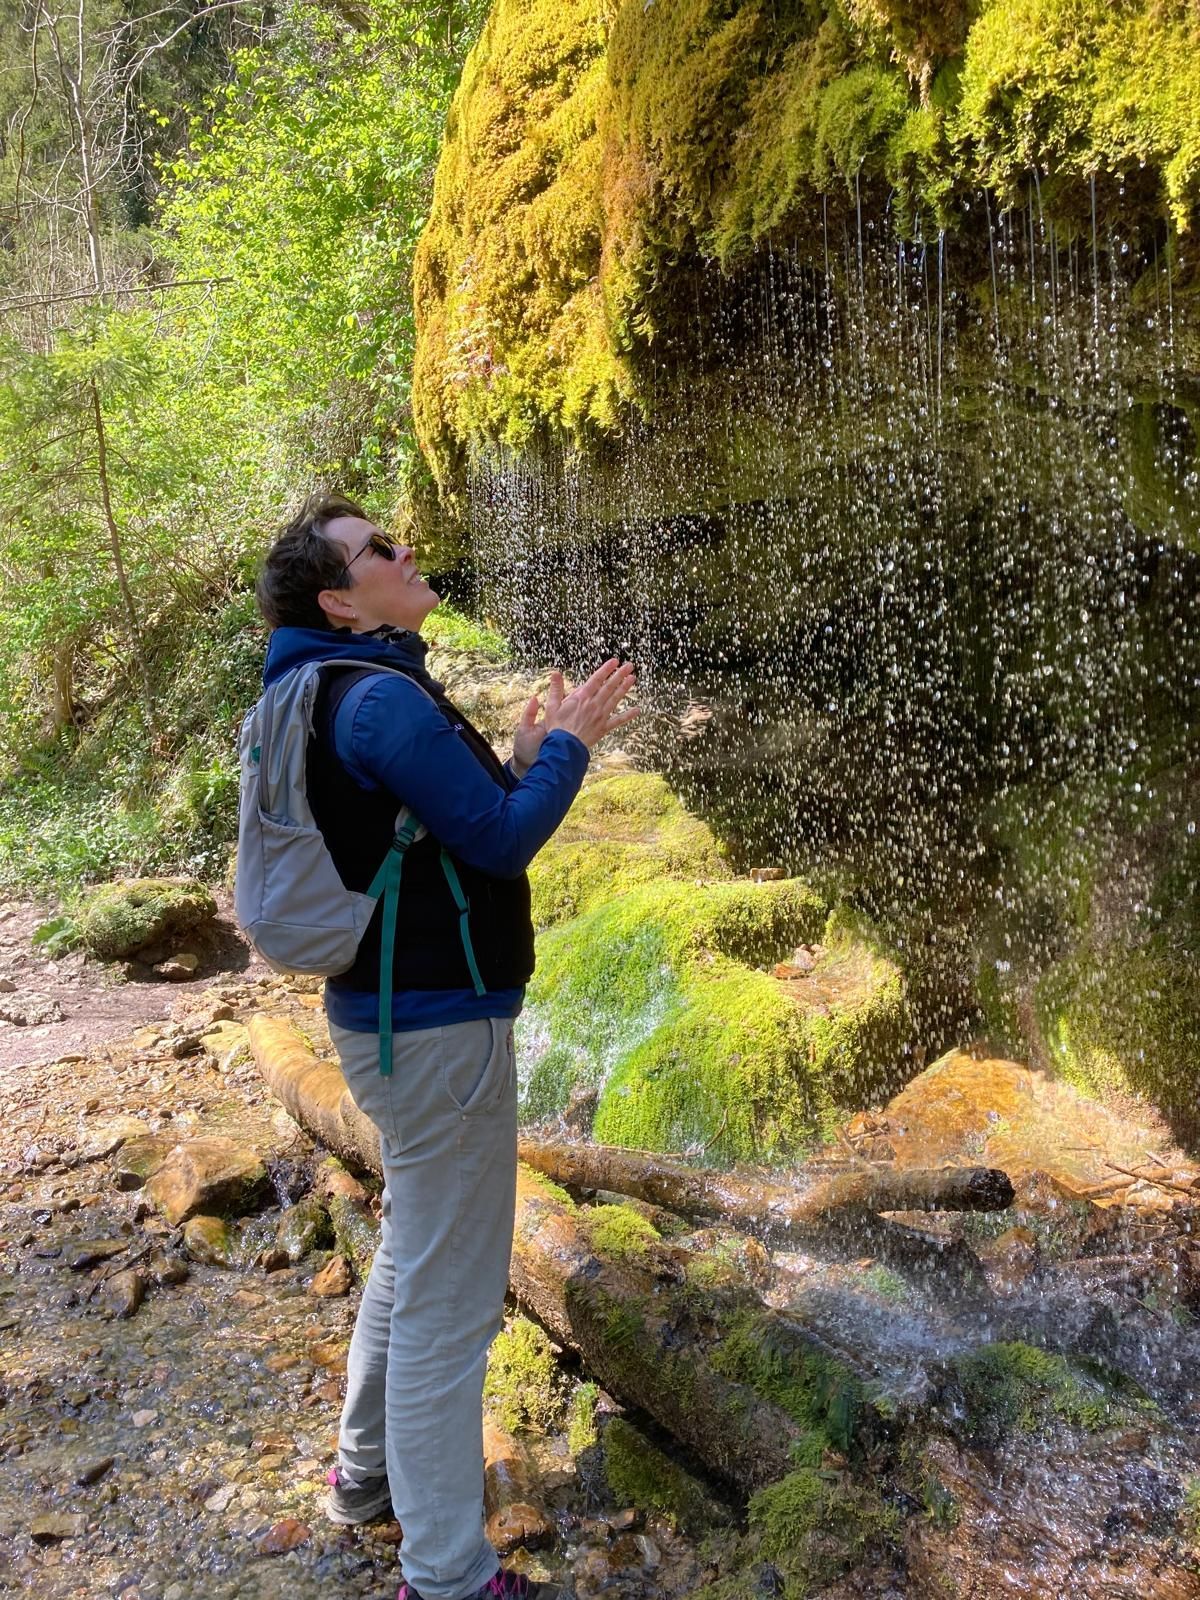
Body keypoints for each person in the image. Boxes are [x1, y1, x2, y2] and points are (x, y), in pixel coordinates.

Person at [253, 493, 637, 1600]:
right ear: (339, 600)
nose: (405, 548)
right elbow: (506, 841)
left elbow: (448, 832)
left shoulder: (318, 688)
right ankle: (448, 1575)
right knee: (451, 1310)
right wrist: (568, 753)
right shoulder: (378, 699)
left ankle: (363, 1477)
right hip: (437, 1030)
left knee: (414, 1255)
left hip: (387, 1022)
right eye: (377, 548)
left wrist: (521, 758)